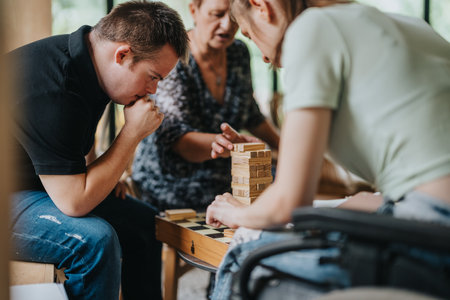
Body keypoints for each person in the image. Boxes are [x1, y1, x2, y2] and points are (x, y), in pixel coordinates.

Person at [206, 0, 450, 298]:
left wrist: (237, 213)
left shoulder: (311, 28)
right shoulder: (412, 27)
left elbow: (289, 204)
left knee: (244, 253)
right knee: (355, 203)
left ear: (262, 6)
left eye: (249, 34)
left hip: (434, 234)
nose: (266, 59)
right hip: (427, 211)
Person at [9, 1, 188, 299]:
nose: (154, 90)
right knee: (93, 241)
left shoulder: (90, 65)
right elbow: (74, 202)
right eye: (153, 76)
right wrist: (132, 133)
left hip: (37, 185)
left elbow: (78, 141)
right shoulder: (56, 88)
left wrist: (103, 176)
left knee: (144, 222)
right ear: (122, 54)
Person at [132, 0, 279, 211]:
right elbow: (178, 141)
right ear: (194, 10)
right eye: (217, 14)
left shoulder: (238, 53)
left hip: (225, 180)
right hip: (172, 184)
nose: (227, 26)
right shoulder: (175, 57)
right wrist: (223, 144)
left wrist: (285, 146)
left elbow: (250, 113)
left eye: (233, 16)